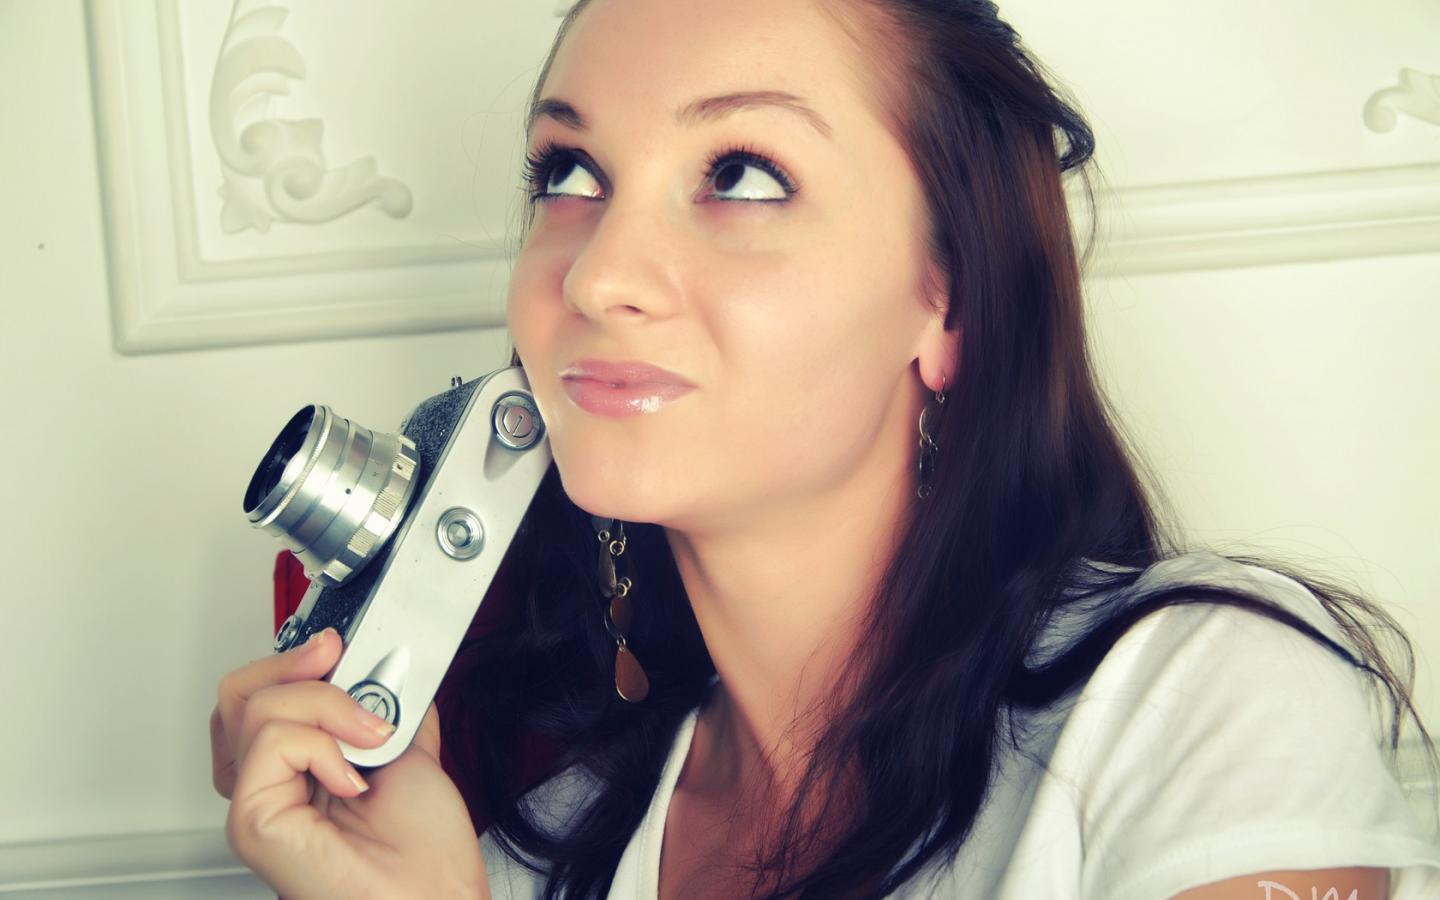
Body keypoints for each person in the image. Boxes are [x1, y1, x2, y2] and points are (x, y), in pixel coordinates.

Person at [210, 0, 1440, 897]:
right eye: (569, 171)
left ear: (949, 300)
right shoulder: (529, 854)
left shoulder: (1198, 703)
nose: (597, 275)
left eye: (744, 176)